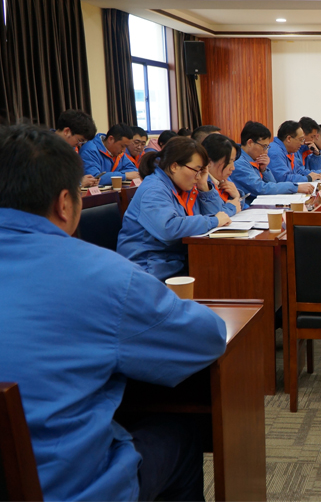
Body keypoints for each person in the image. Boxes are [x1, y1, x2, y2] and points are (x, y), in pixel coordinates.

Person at [0, 124, 227, 501]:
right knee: (181, 434)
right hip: (71, 491)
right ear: (65, 203)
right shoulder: (105, 277)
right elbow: (208, 337)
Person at [117, 137, 232, 280]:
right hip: (148, 269)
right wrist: (214, 221)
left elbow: (218, 216)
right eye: (196, 170)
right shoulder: (154, 189)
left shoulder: (184, 186)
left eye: (202, 171)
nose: (198, 177)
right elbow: (169, 228)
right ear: (174, 166)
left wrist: (204, 188)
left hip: (176, 261)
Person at [232, 120, 313, 205]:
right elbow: (261, 189)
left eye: (267, 147)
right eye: (264, 146)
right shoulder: (238, 162)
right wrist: (295, 187)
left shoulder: (254, 158)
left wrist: (264, 170)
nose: (266, 152)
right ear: (250, 143)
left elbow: (273, 183)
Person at [201, 133, 244, 215]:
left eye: (233, 161)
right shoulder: (201, 182)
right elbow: (216, 215)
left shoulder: (222, 177)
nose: (233, 168)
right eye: (228, 162)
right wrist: (233, 207)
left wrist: (237, 196)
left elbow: (240, 206)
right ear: (209, 162)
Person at [54, 109, 98, 187]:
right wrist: (79, 183)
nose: (78, 144)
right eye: (79, 140)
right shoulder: (43, 148)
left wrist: (87, 181)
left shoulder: (70, 150)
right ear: (66, 131)